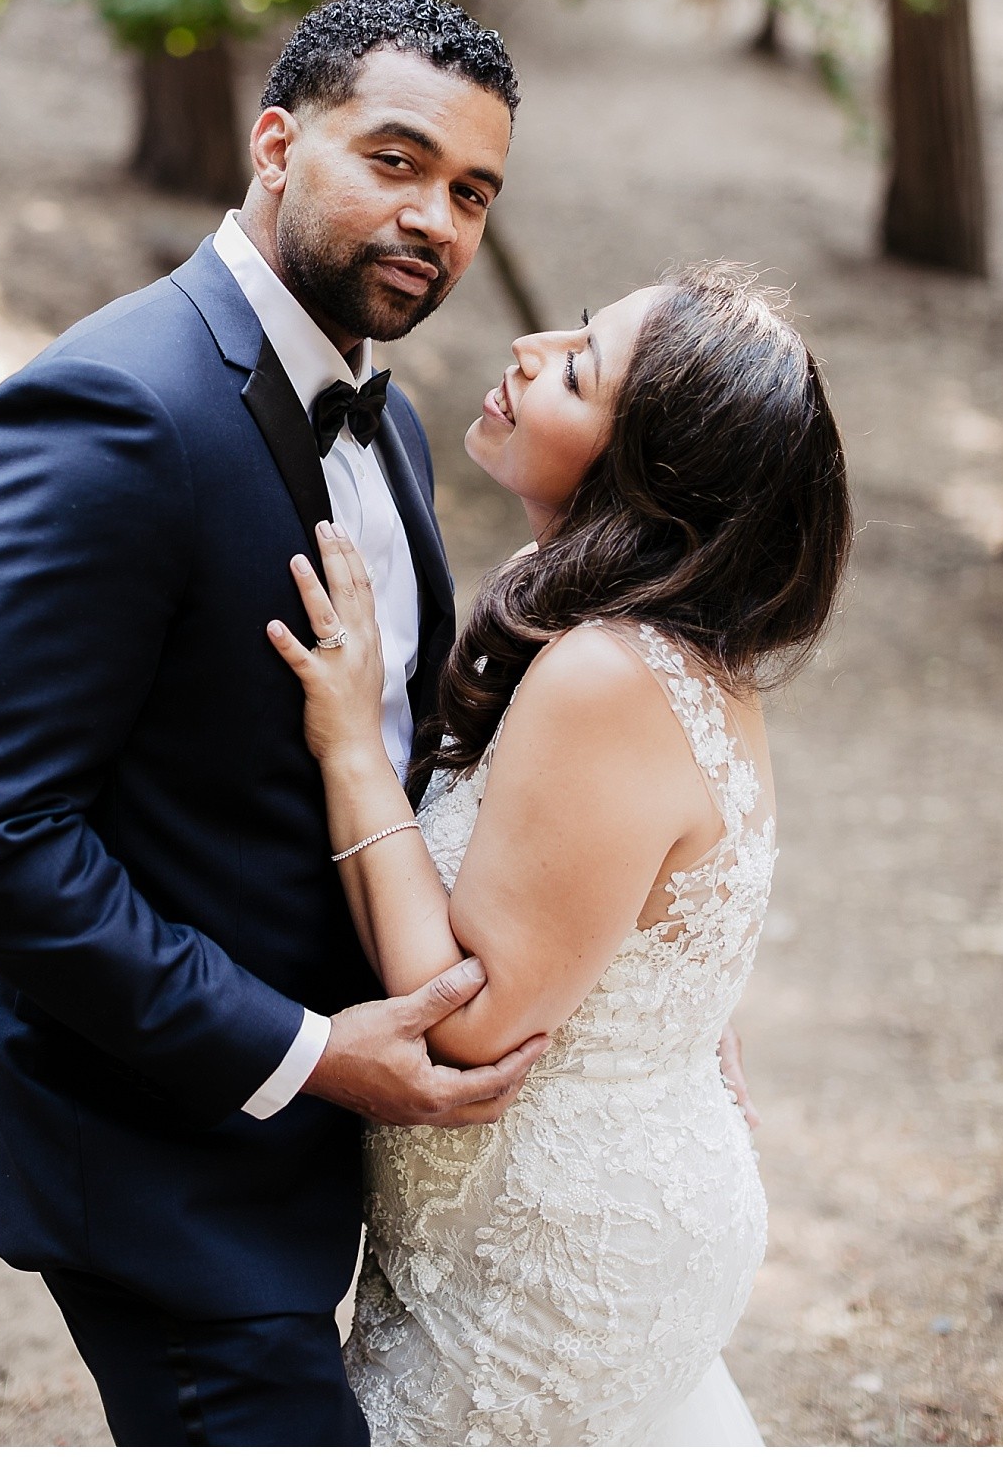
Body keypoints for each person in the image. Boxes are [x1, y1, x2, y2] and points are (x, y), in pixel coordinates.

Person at [0, 0, 716, 1445]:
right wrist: (306, 1052)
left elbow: (411, 767)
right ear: (277, 141)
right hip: (158, 1141)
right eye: (394, 162)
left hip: (330, 1156)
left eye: (473, 190)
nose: (438, 221)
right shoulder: (108, 409)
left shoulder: (389, 421)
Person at [268, 264, 850, 1443]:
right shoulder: (667, 652)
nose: (531, 345)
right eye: (576, 327)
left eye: (579, 367)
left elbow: (475, 1022)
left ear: (645, 480)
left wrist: (349, 744)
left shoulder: (608, 671)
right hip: (581, 1211)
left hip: (542, 1274)